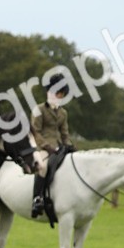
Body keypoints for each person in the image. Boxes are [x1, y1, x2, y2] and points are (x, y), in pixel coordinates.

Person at [30, 72, 74, 217]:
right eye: (57, 93)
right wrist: (46, 146)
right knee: (42, 167)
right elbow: (35, 131)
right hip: (42, 147)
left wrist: (70, 146)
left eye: (61, 94)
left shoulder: (63, 113)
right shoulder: (39, 109)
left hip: (58, 147)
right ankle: (37, 199)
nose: (59, 96)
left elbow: (65, 133)